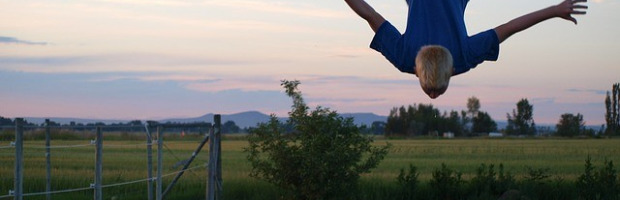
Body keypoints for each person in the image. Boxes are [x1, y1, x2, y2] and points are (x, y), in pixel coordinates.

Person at [344, 0, 588, 99]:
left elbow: (510, 28)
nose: (432, 97)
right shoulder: (405, 58)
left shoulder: (463, 58)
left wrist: (554, 11)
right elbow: (370, 15)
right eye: (437, 89)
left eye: (432, 89)